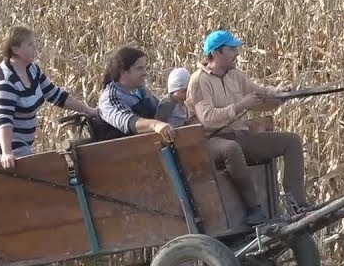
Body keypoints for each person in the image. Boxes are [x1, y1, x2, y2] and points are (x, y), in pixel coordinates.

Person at [188, 29, 317, 225]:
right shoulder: (199, 80)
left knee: (291, 142)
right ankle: (254, 209)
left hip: (240, 135)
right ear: (216, 53)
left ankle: (296, 203)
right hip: (211, 141)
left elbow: (261, 93)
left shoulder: (235, 76)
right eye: (231, 49)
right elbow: (208, 119)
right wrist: (242, 105)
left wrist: (279, 93)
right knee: (231, 149)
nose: (236, 54)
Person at [0, 25, 99, 168]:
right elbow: (4, 120)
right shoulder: (5, 81)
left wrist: (89, 110)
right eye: (30, 45)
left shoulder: (32, 69)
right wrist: (7, 152)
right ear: (16, 50)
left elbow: (57, 96)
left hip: (21, 144)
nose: (35, 48)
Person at [96, 46, 176, 142]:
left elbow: (159, 110)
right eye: (139, 68)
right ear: (123, 72)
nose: (145, 73)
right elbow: (128, 121)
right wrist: (155, 125)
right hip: (125, 152)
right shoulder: (110, 98)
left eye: (145, 68)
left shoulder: (141, 91)